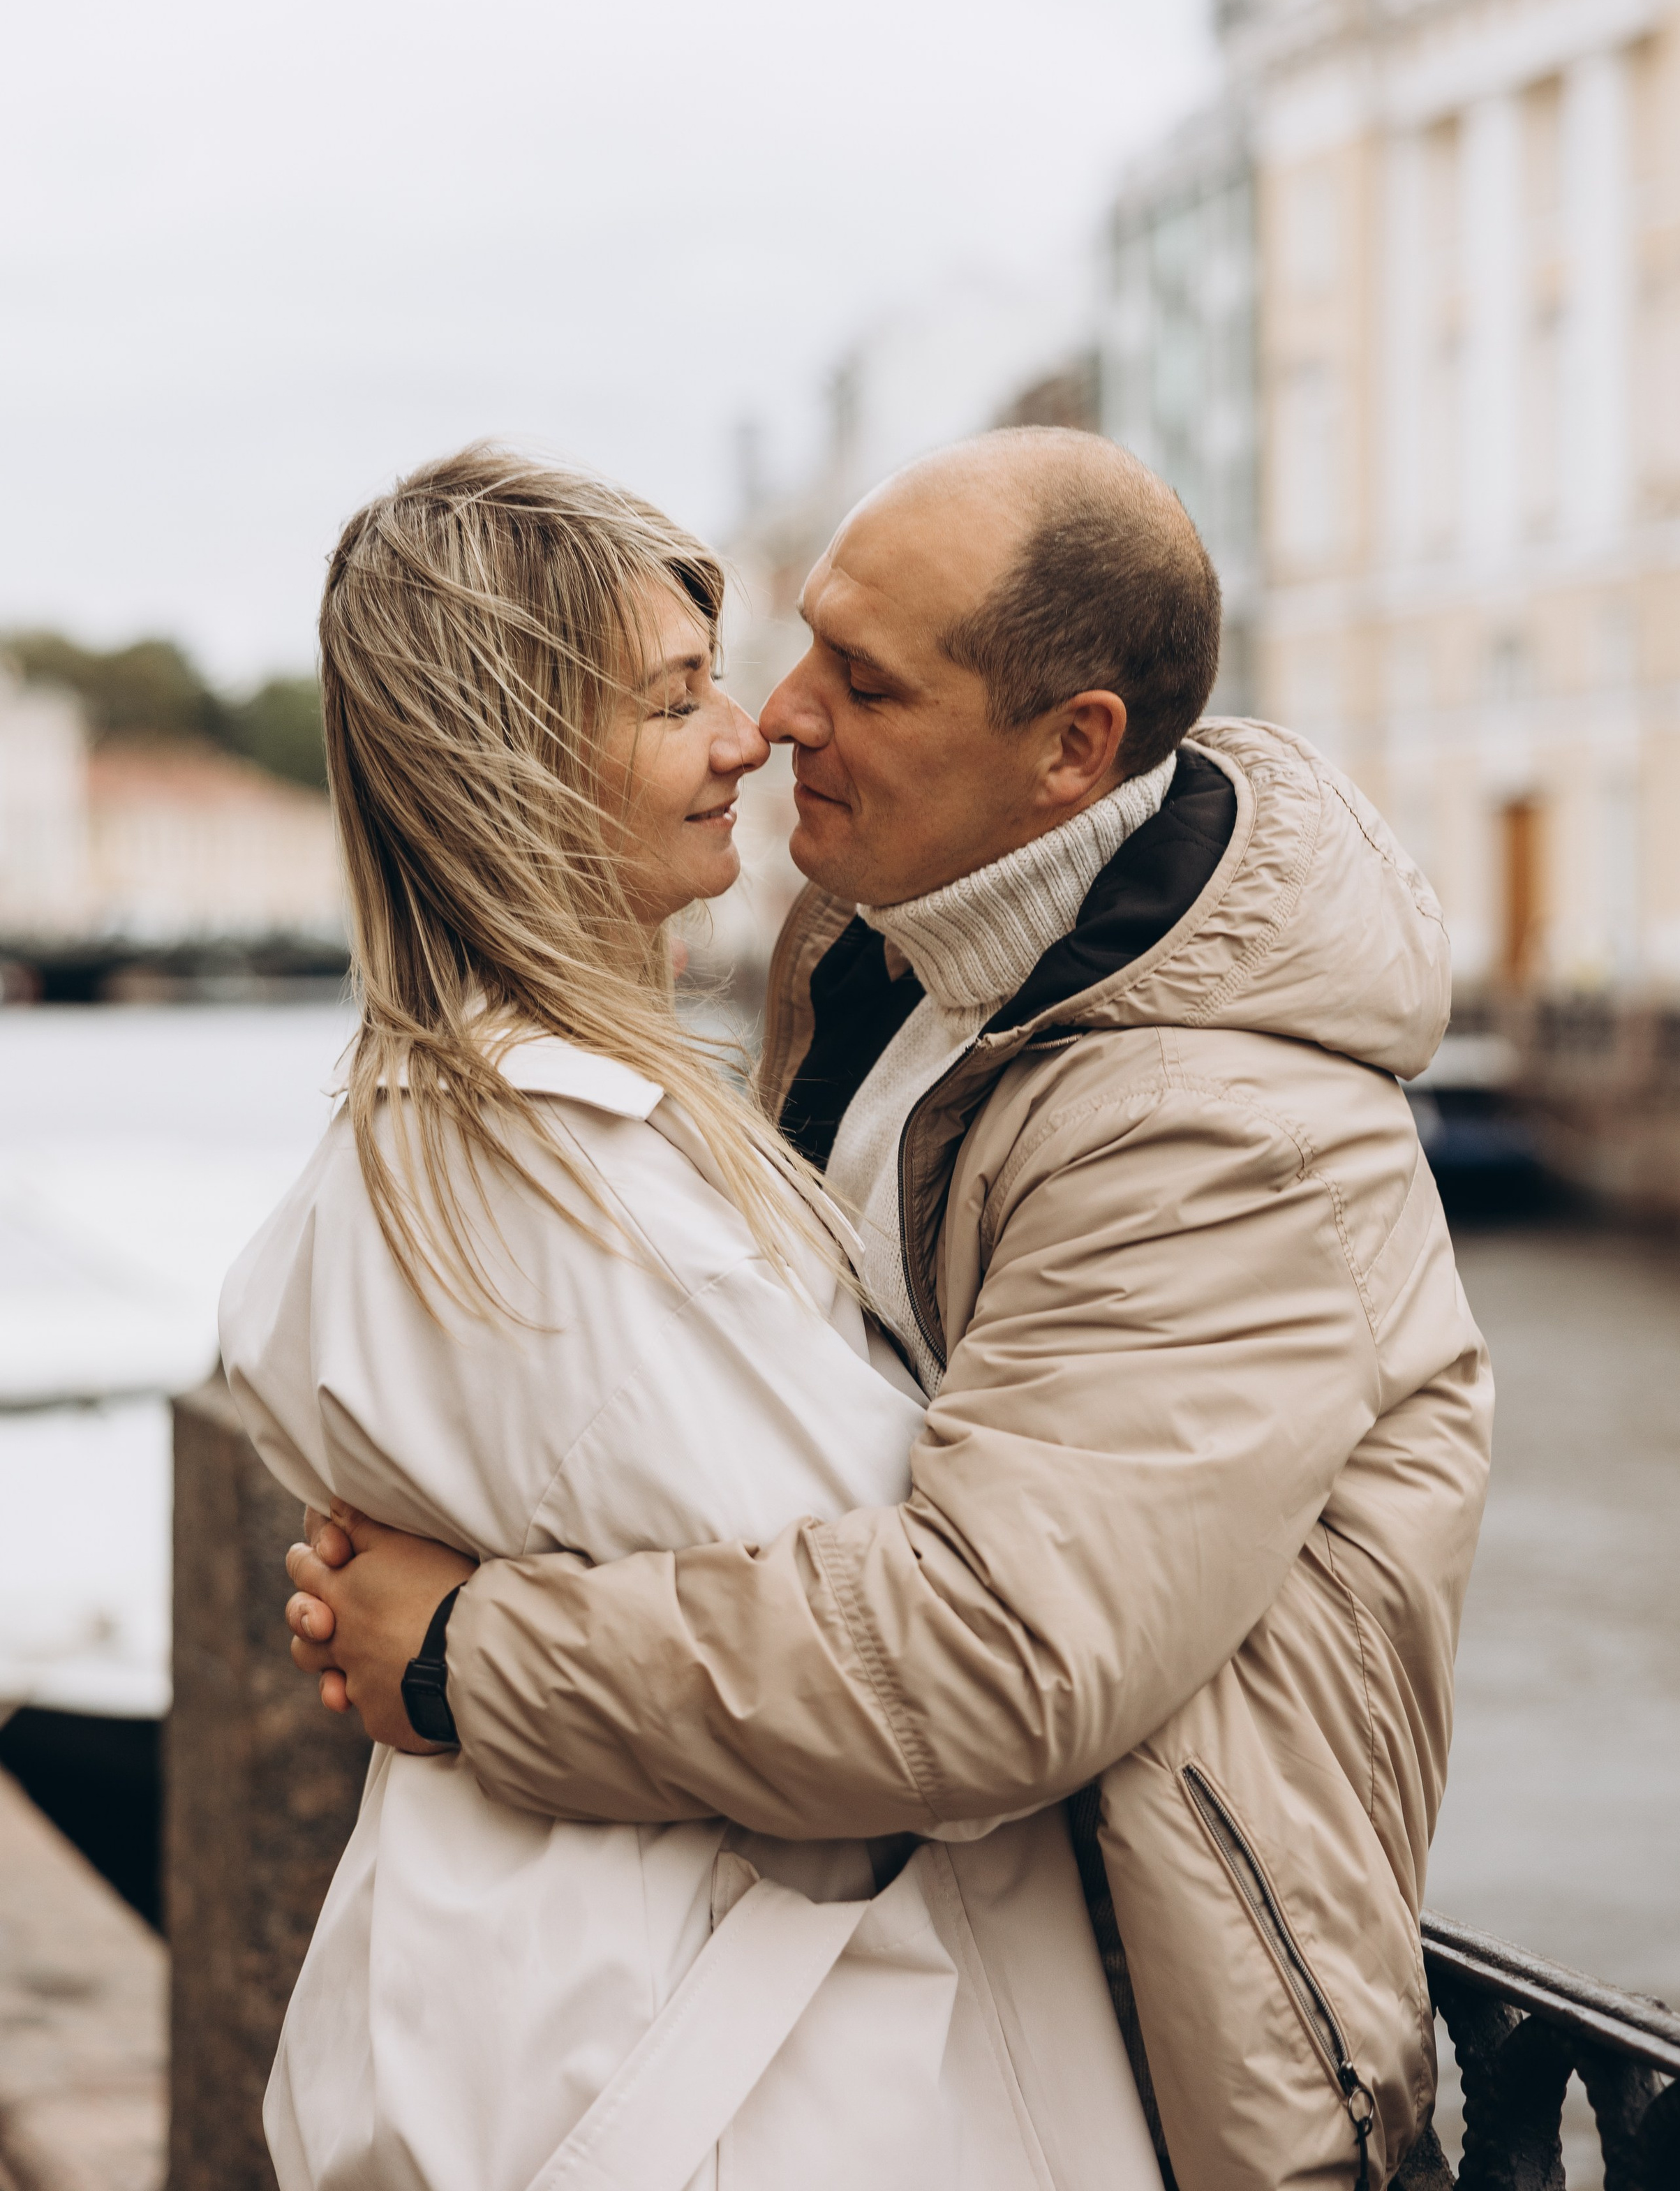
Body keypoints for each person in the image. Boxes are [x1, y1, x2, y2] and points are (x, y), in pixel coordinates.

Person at [287, 426, 1494, 2191]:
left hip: (1160, 2051)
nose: (775, 717)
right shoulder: (877, 968)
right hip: (922, 2004)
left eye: (861, 679)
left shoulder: (1229, 1133)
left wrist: (475, 1657)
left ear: (1070, 750)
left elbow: (992, 1654)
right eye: (783, 650)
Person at [221, 445, 1163, 2191]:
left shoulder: (462, 1141)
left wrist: (459, 1634)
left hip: (572, 2035)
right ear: (508, 764)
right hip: (703, 2084)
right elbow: (930, 1655)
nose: (750, 735)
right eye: (675, 701)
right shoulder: (563, 1191)